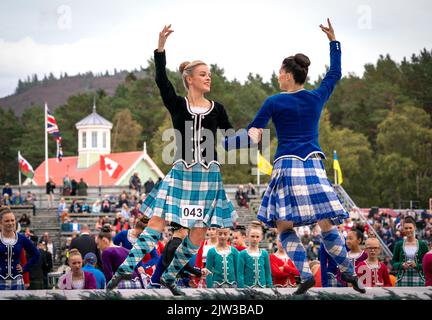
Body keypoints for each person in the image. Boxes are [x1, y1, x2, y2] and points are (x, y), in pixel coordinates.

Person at [108, 24, 239, 296]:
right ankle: (125, 269)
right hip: (182, 172)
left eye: (209, 75)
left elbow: (229, 139)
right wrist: (160, 48)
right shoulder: (178, 104)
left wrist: (251, 137)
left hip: (208, 176)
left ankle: (169, 277)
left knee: (199, 233)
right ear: (189, 78)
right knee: (157, 222)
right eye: (203, 74)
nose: (208, 78)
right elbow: (161, 80)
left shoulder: (219, 109)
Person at [245, 19, 364, 295]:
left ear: (287, 75)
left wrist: (238, 139)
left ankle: (305, 274)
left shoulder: (274, 101)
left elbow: (253, 130)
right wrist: (334, 42)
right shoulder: (315, 97)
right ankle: (349, 271)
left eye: (279, 71)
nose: (277, 76)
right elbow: (334, 74)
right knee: (325, 222)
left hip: (286, 164)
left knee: (283, 226)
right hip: (312, 163)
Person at [150, 224, 202, 288]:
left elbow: (177, 267)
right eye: (187, 231)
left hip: (159, 283)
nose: (188, 234)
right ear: (181, 229)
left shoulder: (172, 243)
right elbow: (184, 266)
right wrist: (199, 273)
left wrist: (187, 279)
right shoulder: (176, 244)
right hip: (160, 285)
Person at [0, 207, 40, 290]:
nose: (10, 223)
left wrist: (25, 268)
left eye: (12, 220)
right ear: (1, 223)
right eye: (7, 221)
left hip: (17, 280)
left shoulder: (21, 238)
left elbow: (36, 254)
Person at [391, 216, 428, 286]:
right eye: (406, 228)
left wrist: (416, 265)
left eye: (410, 228)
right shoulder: (399, 244)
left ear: (415, 228)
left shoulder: (422, 244)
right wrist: (401, 265)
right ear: (403, 229)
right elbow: (393, 262)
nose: (408, 230)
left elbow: (428, 264)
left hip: (419, 279)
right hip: (402, 279)